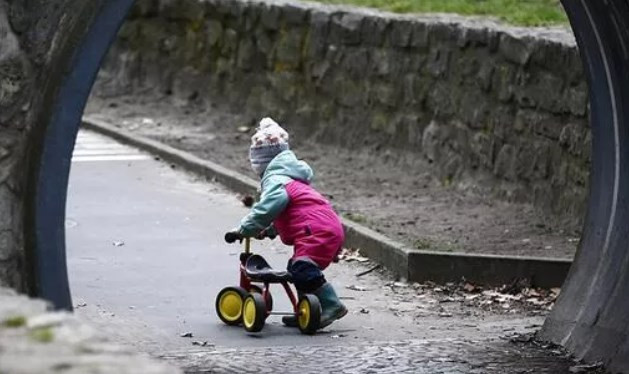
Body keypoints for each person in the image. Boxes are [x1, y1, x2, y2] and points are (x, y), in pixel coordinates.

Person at [226, 117, 347, 328]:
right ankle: (306, 310)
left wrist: (246, 228)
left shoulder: (275, 179)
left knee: (301, 269)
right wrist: (270, 229)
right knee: (297, 267)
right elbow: (292, 214)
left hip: (315, 230)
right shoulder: (291, 178)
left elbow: (271, 206)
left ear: (261, 164)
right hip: (324, 226)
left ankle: (331, 305)